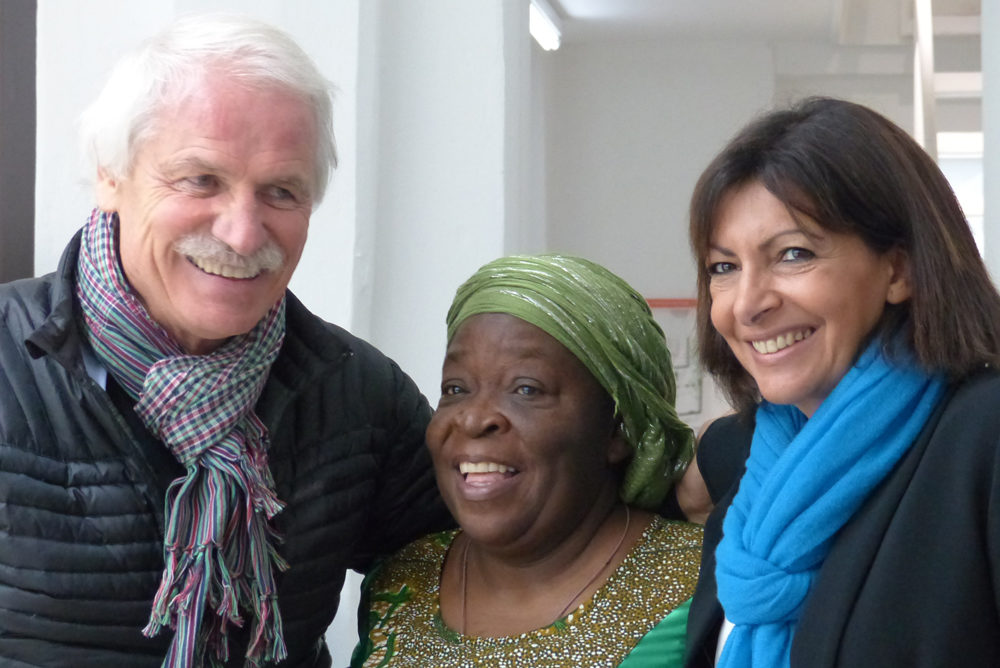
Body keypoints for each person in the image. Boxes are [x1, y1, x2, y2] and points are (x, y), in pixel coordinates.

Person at [0, 14, 451, 668]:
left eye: (280, 192)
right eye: (201, 180)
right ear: (110, 175)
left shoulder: (359, 396)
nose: (243, 234)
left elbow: (497, 563)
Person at [683, 96, 1000, 667]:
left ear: (898, 269)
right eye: (723, 267)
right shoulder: (751, 463)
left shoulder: (984, 435)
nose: (748, 305)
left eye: (793, 254)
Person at [351, 254, 704, 667]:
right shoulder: (400, 584)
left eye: (526, 389)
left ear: (618, 429)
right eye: (456, 388)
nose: (474, 417)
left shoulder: (704, 586)